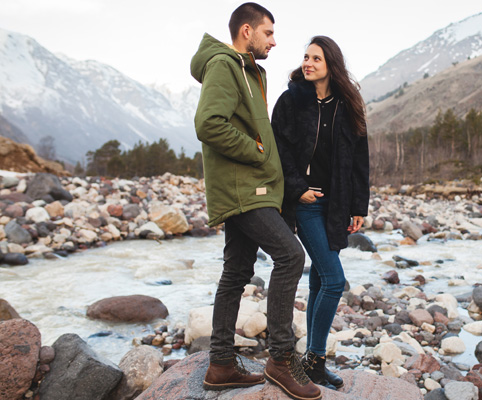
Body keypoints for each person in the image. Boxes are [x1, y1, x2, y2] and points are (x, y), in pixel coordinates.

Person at [190, 3, 321, 400]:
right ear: (247, 31)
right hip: (244, 190)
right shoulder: (224, 65)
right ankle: (281, 361)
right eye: (268, 33)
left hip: (249, 188)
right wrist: (258, 150)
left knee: (236, 273)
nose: (274, 41)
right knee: (291, 257)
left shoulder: (247, 71)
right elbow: (208, 123)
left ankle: (220, 365)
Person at [272, 36, 370, 390]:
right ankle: (314, 359)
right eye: (306, 56)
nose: (308, 62)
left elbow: (360, 158)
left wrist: (359, 206)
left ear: (331, 64)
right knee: (332, 279)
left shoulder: (347, 104)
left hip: (337, 203)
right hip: (306, 203)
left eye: (316, 57)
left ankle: (312, 362)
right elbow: (278, 148)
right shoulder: (291, 100)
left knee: (318, 280)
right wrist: (298, 188)